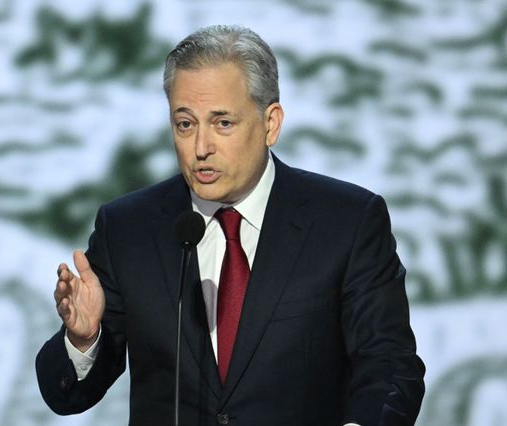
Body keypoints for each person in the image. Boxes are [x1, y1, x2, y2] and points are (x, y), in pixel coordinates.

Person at [36, 25, 425, 426]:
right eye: (185, 124)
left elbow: (390, 367)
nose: (201, 148)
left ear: (271, 123)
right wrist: (83, 340)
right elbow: (66, 396)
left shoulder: (347, 222)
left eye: (222, 123)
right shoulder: (128, 229)